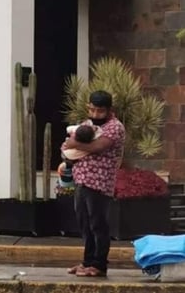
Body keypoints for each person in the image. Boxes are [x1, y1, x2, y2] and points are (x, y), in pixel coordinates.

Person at [62, 90, 125, 277]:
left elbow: (98, 147)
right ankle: (87, 261)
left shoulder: (115, 127)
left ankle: (99, 264)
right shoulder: (86, 124)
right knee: (85, 224)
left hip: (99, 183)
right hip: (81, 180)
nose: (95, 115)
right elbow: (65, 147)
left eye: (100, 111)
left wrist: (74, 145)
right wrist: (70, 148)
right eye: (92, 110)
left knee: (98, 224)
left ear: (109, 110)